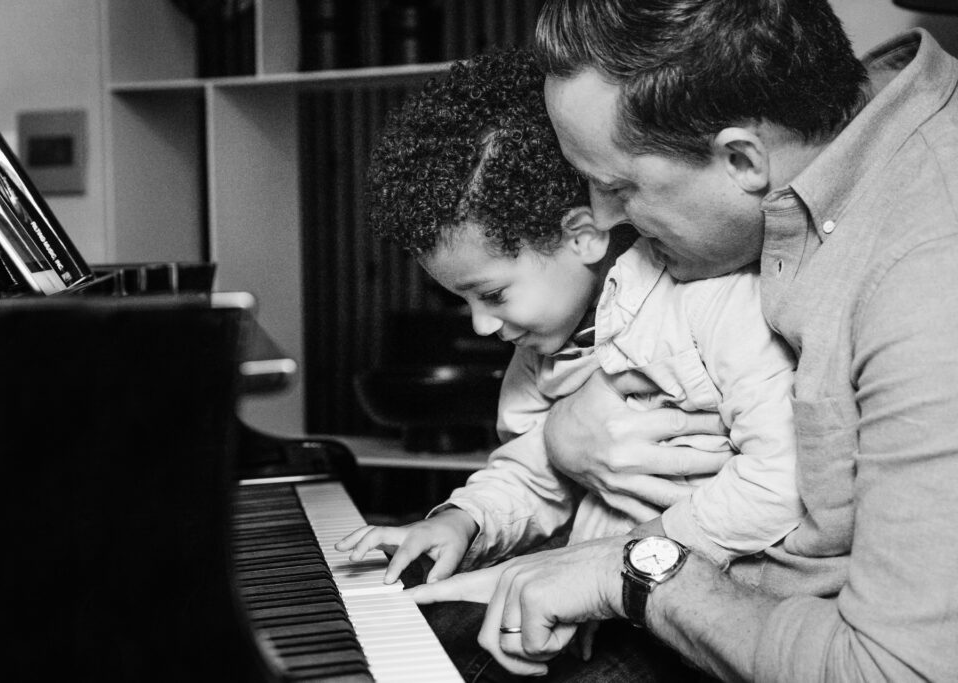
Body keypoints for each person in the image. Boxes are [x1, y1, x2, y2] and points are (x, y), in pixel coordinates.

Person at [411, 1, 958, 681]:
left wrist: (633, 568)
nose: (602, 220)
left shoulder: (929, 271)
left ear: (741, 159)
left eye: (618, 188)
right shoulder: (821, 139)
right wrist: (559, 437)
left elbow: (892, 670)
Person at [338, 46, 803, 680]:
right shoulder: (536, 351)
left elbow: (782, 482)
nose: (481, 326)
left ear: (583, 234)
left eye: (493, 293)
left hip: (700, 620)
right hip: (593, 606)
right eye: (463, 301)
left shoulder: (713, 300)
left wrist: (615, 561)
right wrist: (464, 519)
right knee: (424, 633)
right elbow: (534, 473)